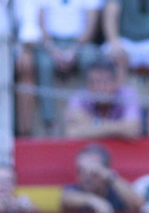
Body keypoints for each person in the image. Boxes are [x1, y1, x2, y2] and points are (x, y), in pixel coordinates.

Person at [19, 0, 102, 135]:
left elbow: (90, 27)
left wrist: (74, 50)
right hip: (51, 43)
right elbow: (41, 23)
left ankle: (89, 112)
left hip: (79, 42)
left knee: (90, 58)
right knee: (43, 63)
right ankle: (49, 120)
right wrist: (53, 50)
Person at [63, 59, 144, 138]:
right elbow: (72, 132)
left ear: (115, 82)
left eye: (105, 82)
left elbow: (132, 130)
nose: (99, 88)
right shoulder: (80, 97)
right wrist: (120, 128)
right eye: (93, 82)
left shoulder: (127, 94)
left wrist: (94, 122)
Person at [61, 143, 144, 213]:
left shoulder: (116, 192)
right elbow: (60, 198)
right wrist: (91, 200)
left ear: (105, 171)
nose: (87, 178)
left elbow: (138, 205)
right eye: (81, 171)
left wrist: (110, 176)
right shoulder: (73, 191)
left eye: (93, 172)